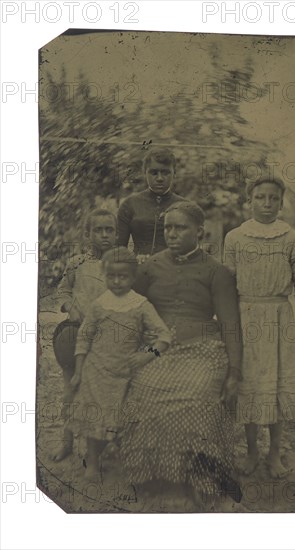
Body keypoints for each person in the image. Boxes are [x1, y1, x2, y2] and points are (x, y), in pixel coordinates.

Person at [119, 201, 243, 509]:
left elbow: (229, 325)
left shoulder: (217, 272)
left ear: (199, 232)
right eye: (168, 228)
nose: (172, 234)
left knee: (199, 391)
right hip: (158, 348)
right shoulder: (149, 267)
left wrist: (235, 373)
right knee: (143, 386)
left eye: (180, 227)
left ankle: (202, 472)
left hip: (203, 349)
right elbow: (129, 310)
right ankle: (152, 472)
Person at [224, 177, 295, 478]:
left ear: (281, 202)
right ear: (249, 200)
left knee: (274, 387)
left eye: (273, 198)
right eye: (260, 197)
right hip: (245, 317)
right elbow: (227, 286)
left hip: (279, 319)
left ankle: (274, 454)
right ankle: (251, 453)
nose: (266, 204)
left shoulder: (292, 239)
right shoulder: (234, 237)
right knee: (249, 386)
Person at [69, 247, 172, 481]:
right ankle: (93, 462)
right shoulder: (98, 305)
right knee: (95, 416)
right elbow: (84, 337)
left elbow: (164, 336)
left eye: (123, 276)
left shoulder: (141, 305)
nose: (116, 281)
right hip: (96, 370)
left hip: (125, 371)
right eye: (111, 276)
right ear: (104, 275)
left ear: (133, 277)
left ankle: (122, 453)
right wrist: (78, 370)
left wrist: (147, 355)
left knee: (120, 416)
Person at [52, 208, 117, 462]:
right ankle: (66, 442)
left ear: (116, 233)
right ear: (87, 234)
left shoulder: (122, 263)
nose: (104, 235)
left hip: (110, 338)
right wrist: (70, 307)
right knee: (71, 390)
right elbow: (62, 291)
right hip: (77, 335)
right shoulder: (77, 263)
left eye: (109, 230)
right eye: (98, 230)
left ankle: (106, 444)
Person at [117, 147, 187, 260]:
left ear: (174, 173)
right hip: (139, 271)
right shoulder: (130, 204)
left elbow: (192, 250)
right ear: (145, 173)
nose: (159, 178)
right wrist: (133, 260)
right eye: (154, 173)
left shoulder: (185, 207)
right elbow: (119, 250)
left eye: (165, 172)